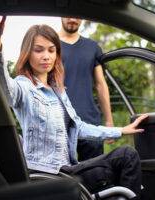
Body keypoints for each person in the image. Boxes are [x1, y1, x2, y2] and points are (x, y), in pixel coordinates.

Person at [0, 16, 148, 198]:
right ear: (27, 54)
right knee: (127, 157)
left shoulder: (58, 91)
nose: (46, 56)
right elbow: (5, 91)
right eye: (39, 50)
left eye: (51, 50)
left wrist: (120, 130)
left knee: (125, 160)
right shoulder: (24, 86)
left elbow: (80, 127)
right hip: (46, 175)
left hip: (67, 170)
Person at [59, 17, 113, 161]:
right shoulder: (50, 47)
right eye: (68, 15)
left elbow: (101, 84)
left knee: (94, 174)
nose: (72, 19)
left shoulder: (92, 47)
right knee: (62, 176)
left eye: (76, 16)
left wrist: (109, 121)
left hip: (90, 120)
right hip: (59, 122)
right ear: (61, 15)